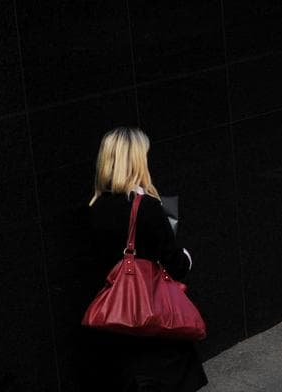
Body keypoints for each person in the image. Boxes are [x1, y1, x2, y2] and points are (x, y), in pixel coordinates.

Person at [82, 127, 208, 392]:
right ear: (137, 160)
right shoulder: (147, 207)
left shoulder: (95, 209)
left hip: (115, 321)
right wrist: (186, 257)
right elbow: (176, 266)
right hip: (153, 321)